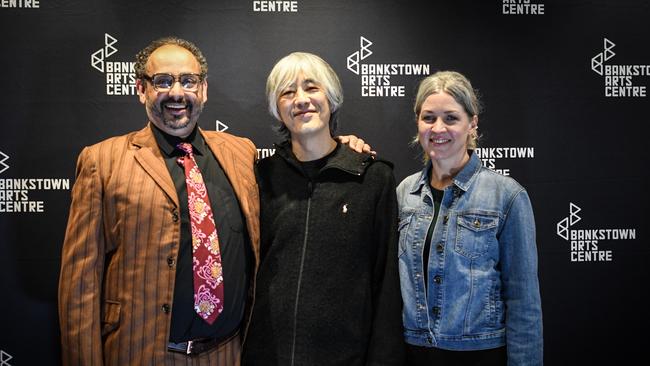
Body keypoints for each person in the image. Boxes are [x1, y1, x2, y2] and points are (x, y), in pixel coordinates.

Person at [57, 37, 260, 365]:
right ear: (141, 89)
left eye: (188, 81)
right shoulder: (102, 161)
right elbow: (80, 285)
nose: (177, 93)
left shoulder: (241, 153)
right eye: (163, 81)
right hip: (144, 354)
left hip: (226, 353)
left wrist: (342, 145)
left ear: (204, 89)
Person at [242, 52, 405, 366]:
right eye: (288, 92)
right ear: (277, 109)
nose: (301, 99)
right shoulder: (258, 178)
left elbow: (386, 285)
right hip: (264, 355)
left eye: (311, 88)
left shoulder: (372, 177)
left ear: (331, 98)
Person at [396, 71, 542, 365]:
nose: (438, 128)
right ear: (417, 122)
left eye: (451, 118)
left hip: (480, 354)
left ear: (472, 123)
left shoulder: (507, 196)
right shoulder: (403, 193)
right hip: (413, 354)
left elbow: (523, 300)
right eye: (429, 118)